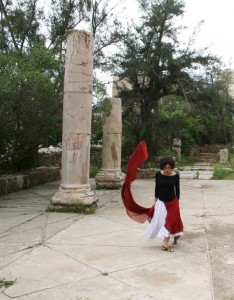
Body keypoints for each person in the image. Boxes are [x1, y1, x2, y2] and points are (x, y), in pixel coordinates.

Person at [142, 156, 183, 252]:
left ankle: (165, 243)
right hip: (161, 202)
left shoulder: (175, 175)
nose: (167, 170)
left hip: (172, 202)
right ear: (162, 167)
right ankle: (176, 235)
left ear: (171, 167)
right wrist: (155, 199)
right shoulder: (158, 174)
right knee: (162, 222)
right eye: (165, 168)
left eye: (169, 168)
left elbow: (177, 189)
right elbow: (157, 187)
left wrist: (177, 201)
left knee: (170, 221)